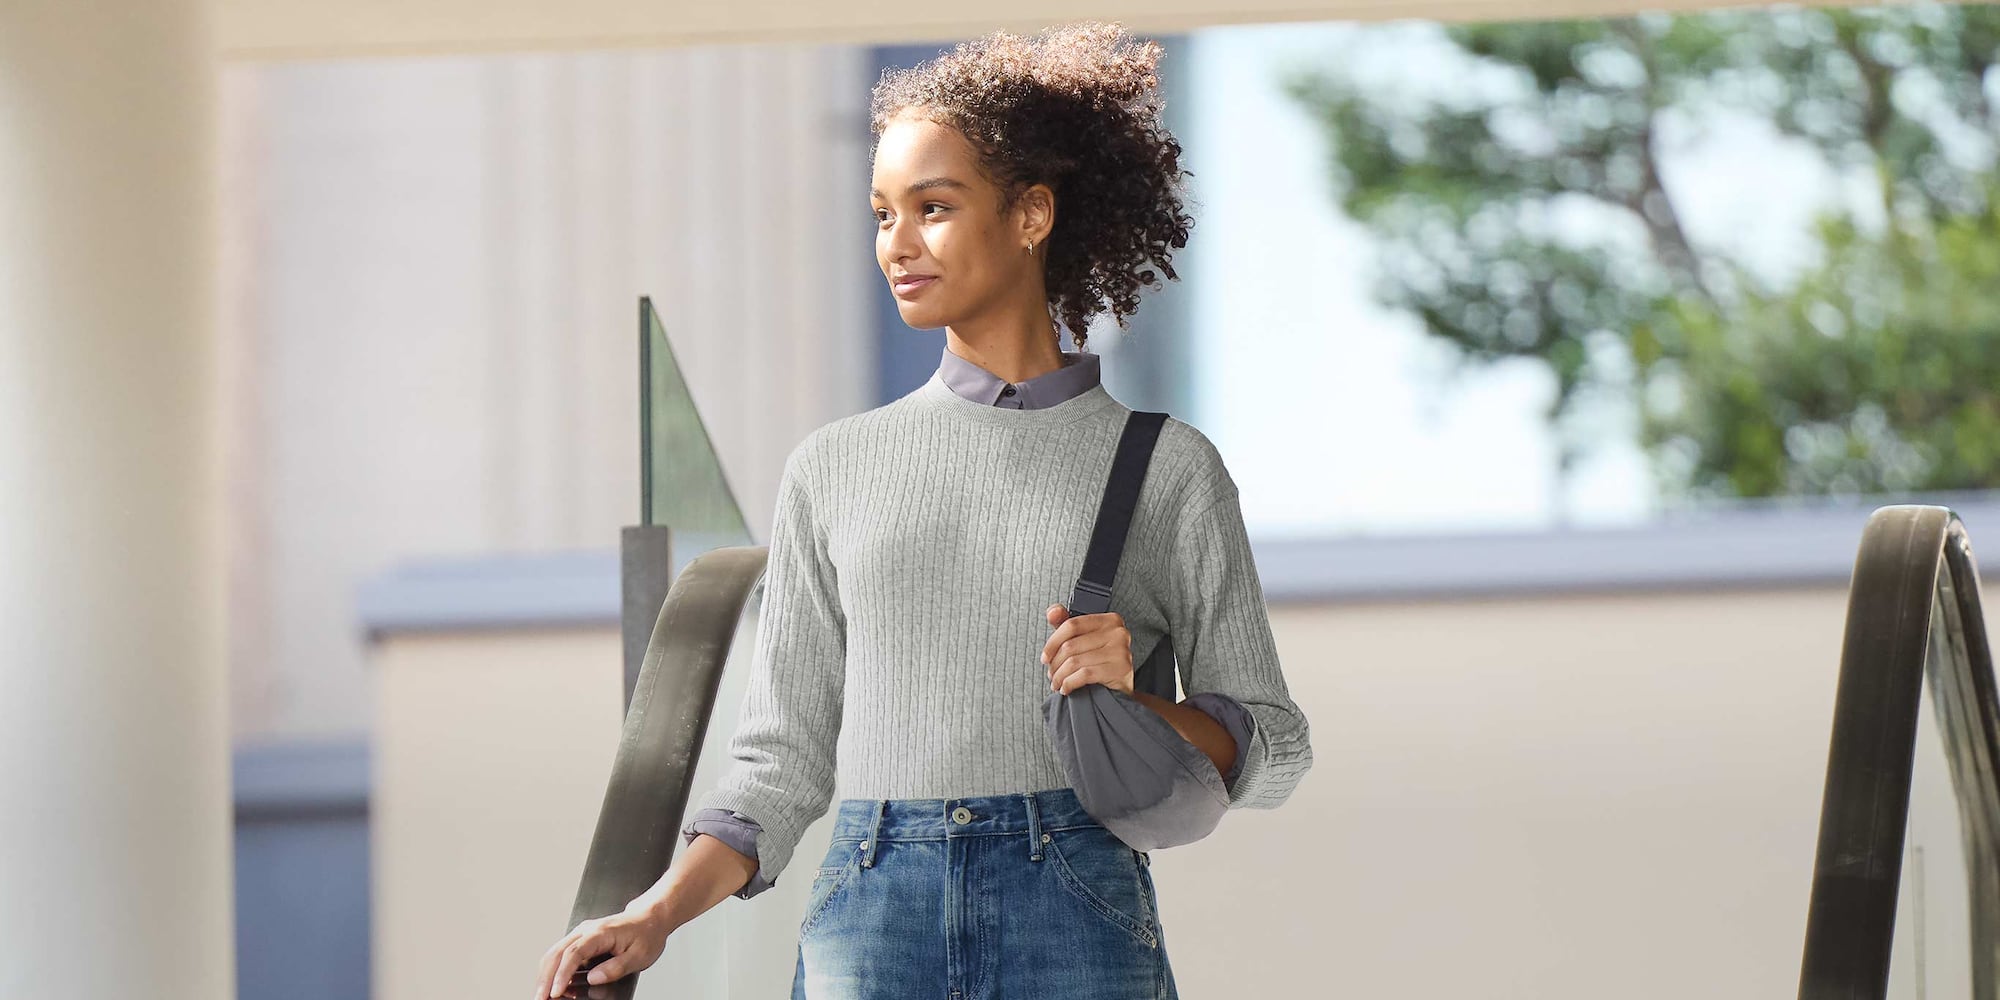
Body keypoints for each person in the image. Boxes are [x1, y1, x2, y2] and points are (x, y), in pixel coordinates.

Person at [534, 20, 1313, 1000]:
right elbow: (779, 760)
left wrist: (1137, 700)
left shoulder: (1165, 470)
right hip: (870, 910)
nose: (895, 244)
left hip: (1074, 907)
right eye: (880, 213)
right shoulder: (833, 467)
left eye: (932, 208)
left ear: (1030, 215)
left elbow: (1275, 746)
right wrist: (654, 911)